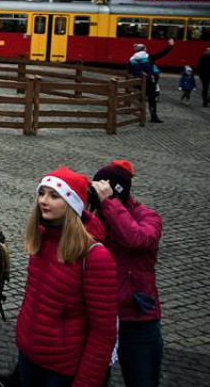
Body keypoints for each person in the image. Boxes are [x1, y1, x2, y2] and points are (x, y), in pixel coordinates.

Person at [16, 166, 117, 387]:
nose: (44, 201)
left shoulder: (95, 257)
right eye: (41, 193)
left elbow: (103, 332)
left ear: (72, 204)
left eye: (54, 196)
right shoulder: (41, 239)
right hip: (28, 355)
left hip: (62, 369)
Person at [91, 160, 163, 387]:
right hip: (100, 315)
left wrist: (109, 204)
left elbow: (135, 239)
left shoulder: (148, 217)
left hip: (137, 316)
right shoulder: (98, 215)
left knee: (142, 380)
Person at [126, 40, 174, 122]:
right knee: (152, 99)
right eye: (145, 48)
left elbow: (130, 71)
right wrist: (170, 46)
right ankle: (153, 117)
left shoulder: (131, 59)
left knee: (140, 98)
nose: (146, 50)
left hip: (137, 82)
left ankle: (140, 116)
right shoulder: (148, 57)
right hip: (149, 82)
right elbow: (161, 54)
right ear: (143, 49)